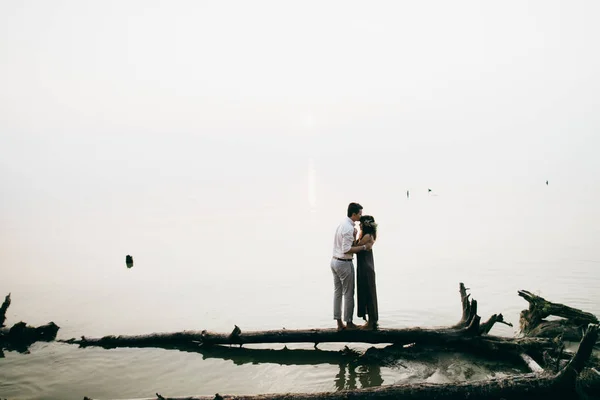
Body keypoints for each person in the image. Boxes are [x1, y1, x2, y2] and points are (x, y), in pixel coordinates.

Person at [331, 202, 372, 331]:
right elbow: (346, 249)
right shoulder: (348, 228)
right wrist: (364, 247)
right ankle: (349, 323)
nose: (361, 217)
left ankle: (339, 323)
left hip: (334, 261)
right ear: (353, 214)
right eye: (359, 214)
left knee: (338, 293)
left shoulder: (343, 223)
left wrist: (354, 236)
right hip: (344, 263)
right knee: (348, 293)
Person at [356, 215, 378, 330]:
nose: (359, 225)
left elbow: (353, 247)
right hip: (366, 266)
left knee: (368, 293)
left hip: (365, 267)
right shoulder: (369, 235)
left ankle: (371, 323)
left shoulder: (367, 236)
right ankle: (371, 321)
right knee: (367, 292)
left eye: (361, 224)